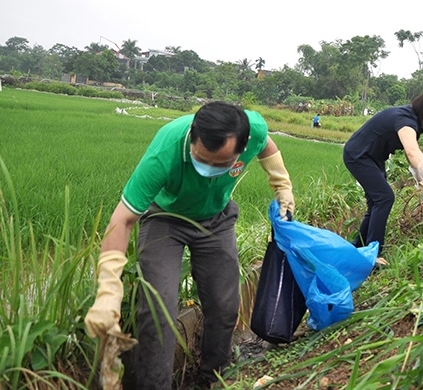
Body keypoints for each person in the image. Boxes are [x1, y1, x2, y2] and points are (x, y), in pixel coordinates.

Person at [84, 101, 296, 388]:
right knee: (158, 309)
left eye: (220, 164)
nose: (207, 169)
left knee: (224, 304)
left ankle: (214, 378)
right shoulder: (166, 149)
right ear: (192, 137)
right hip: (166, 220)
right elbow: (121, 220)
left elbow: (266, 144)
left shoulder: (252, 129)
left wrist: (282, 185)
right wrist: (108, 288)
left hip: (216, 219)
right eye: (201, 158)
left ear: (241, 147)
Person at [344, 90, 423, 256]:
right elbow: (411, 151)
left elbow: (411, 154)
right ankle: (374, 253)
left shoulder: (414, 121)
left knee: (376, 202)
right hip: (358, 155)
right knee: (384, 197)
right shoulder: (406, 120)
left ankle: (359, 247)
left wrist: (419, 176)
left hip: (374, 158)